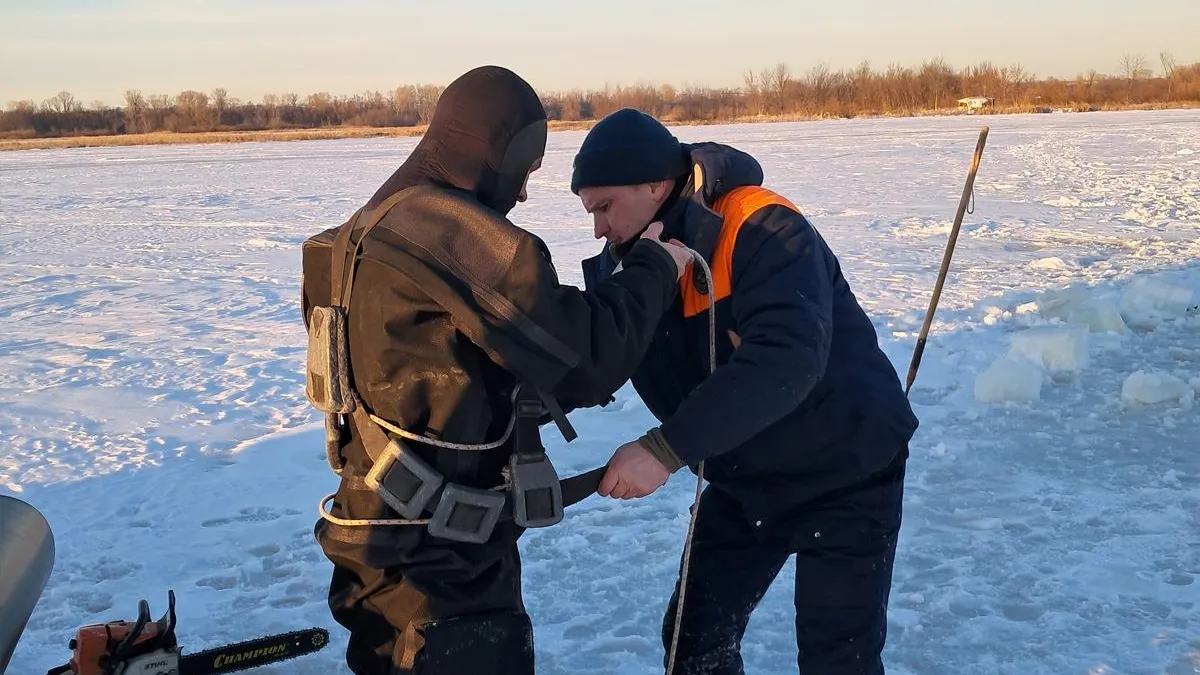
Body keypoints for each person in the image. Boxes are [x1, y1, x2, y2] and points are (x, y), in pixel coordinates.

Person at [300, 71, 690, 675]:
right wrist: (654, 269)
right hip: (442, 562)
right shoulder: (451, 236)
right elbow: (585, 360)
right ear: (496, 151)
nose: (524, 195)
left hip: (369, 540)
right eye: (526, 170)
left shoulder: (346, 241)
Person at [571, 108, 921, 675]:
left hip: (847, 467)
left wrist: (665, 449)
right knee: (693, 642)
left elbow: (787, 358)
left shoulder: (761, 226)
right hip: (745, 477)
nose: (597, 229)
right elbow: (598, 357)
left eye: (604, 207)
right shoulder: (635, 264)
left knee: (838, 659)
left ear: (655, 185)